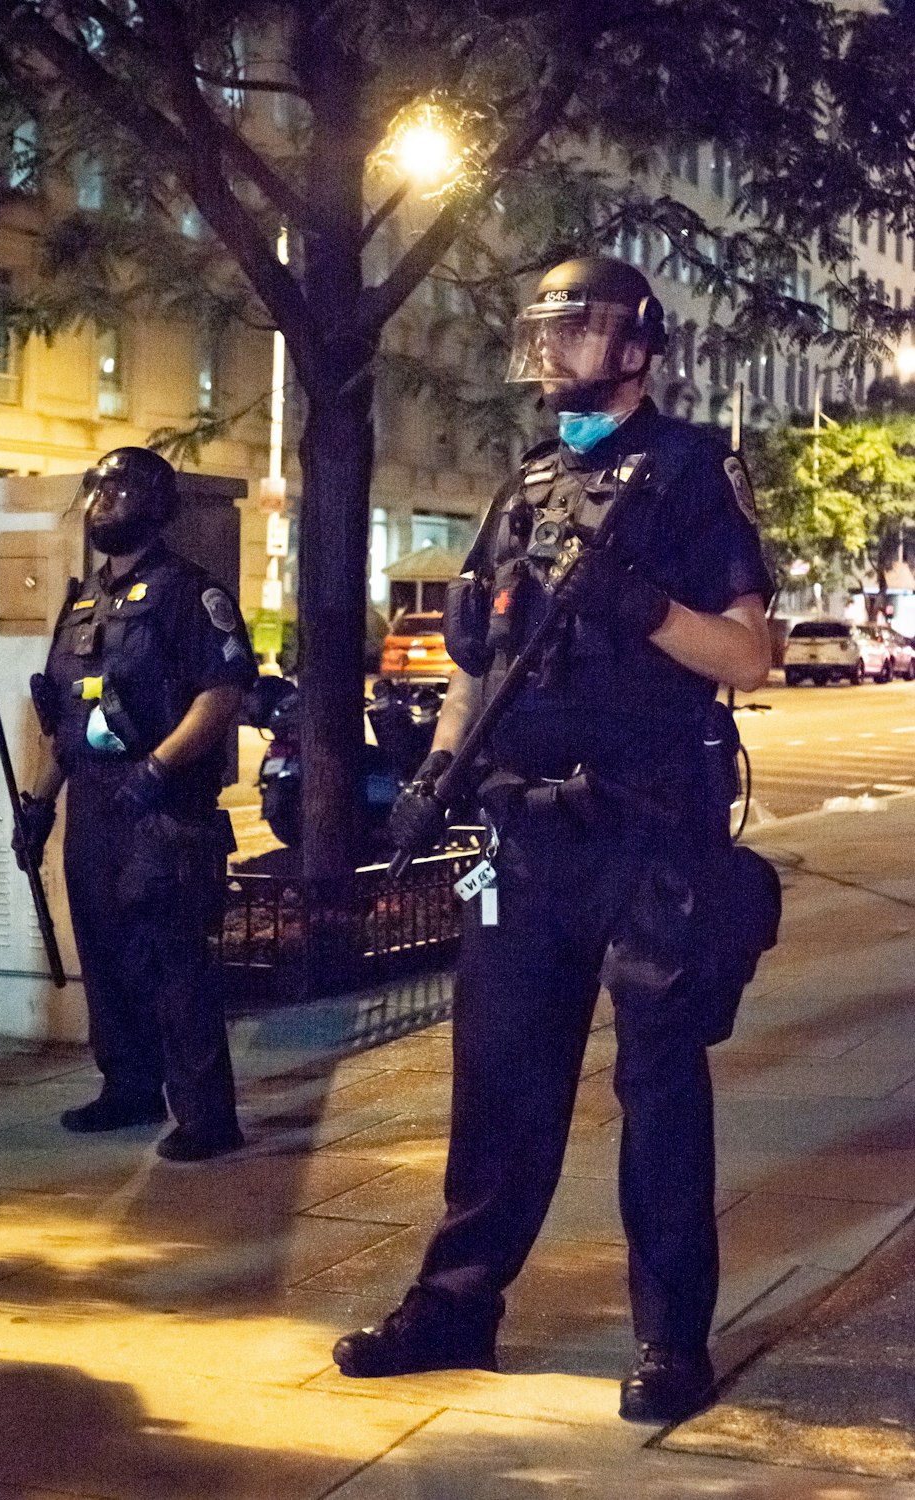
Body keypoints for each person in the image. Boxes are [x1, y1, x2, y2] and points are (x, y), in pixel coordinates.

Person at [332, 257, 779, 1422]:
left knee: (659, 1085)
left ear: (635, 344)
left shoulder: (689, 473)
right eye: (541, 324)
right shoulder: (523, 485)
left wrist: (636, 604)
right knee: (499, 1080)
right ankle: (456, 1305)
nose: (550, 344)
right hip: (522, 836)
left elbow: (746, 655)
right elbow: (476, 663)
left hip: (646, 830)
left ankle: (671, 1338)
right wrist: (438, 769)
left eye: (574, 325)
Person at [13, 447, 257, 1162]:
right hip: (93, 802)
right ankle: (128, 1086)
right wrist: (39, 804)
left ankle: (208, 1116)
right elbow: (62, 720)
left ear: (152, 504)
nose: (101, 504)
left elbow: (222, 692)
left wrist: (158, 766)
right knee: (106, 954)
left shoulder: (189, 594)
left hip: (162, 806)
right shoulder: (83, 599)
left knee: (174, 963)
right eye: (95, 491)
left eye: (117, 491)